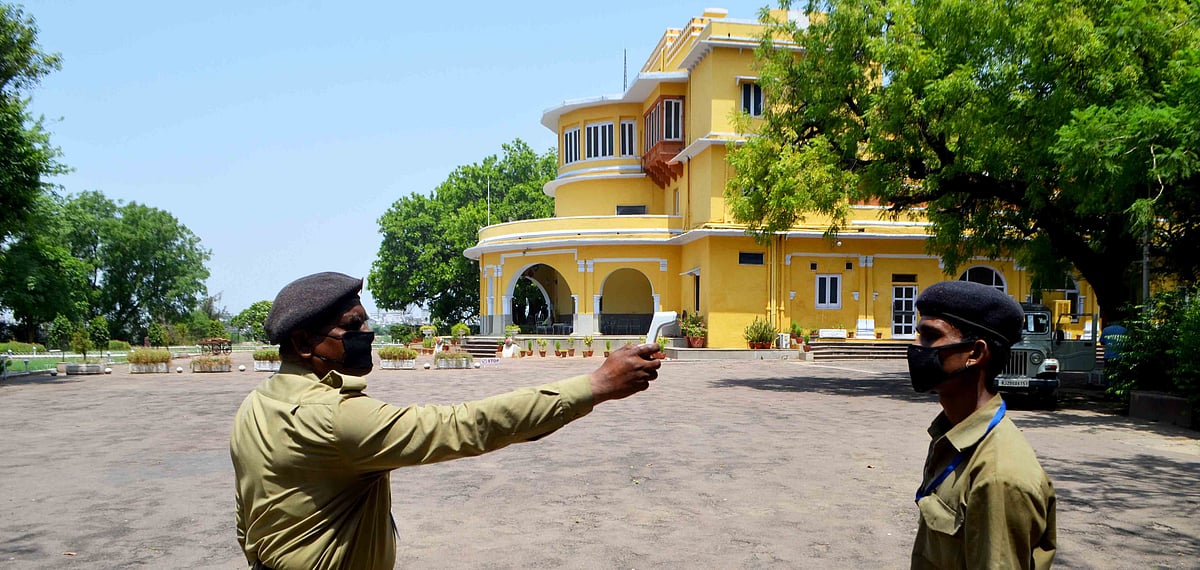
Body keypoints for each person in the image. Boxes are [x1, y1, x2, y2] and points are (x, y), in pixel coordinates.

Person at [230, 272, 662, 570]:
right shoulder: (336, 418)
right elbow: (467, 425)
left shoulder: (255, 405)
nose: (368, 335)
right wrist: (596, 385)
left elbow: (246, 514)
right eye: (353, 326)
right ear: (305, 342)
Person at [908, 281, 1057, 569]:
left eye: (930, 336)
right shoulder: (954, 435)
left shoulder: (997, 476)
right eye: (919, 335)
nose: (916, 347)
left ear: (975, 354)